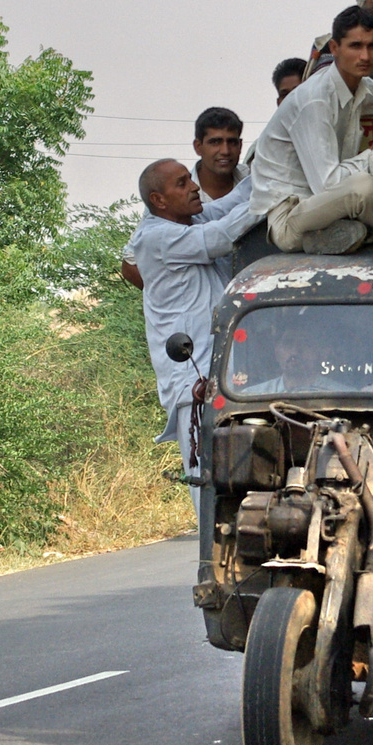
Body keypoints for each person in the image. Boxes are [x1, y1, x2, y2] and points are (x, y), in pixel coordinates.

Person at [124, 158, 259, 511]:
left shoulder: (189, 221)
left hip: (225, 379)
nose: (195, 187)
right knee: (209, 487)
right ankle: (208, 564)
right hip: (194, 385)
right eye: (182, 183)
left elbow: (232, 203)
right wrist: (276, 197)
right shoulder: (155, 238)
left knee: (246, 476)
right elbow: (223, 235)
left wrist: (270, 166)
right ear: (159, 200)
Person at [248, 6, 373, 255]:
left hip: (332, 213)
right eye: (356, 46)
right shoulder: (315, 100)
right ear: (335, 49)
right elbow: (328, 185)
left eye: (372, 46)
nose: (365, 56)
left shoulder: (364, 87)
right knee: (363, 187)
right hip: (292, 218)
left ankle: (353, 235)